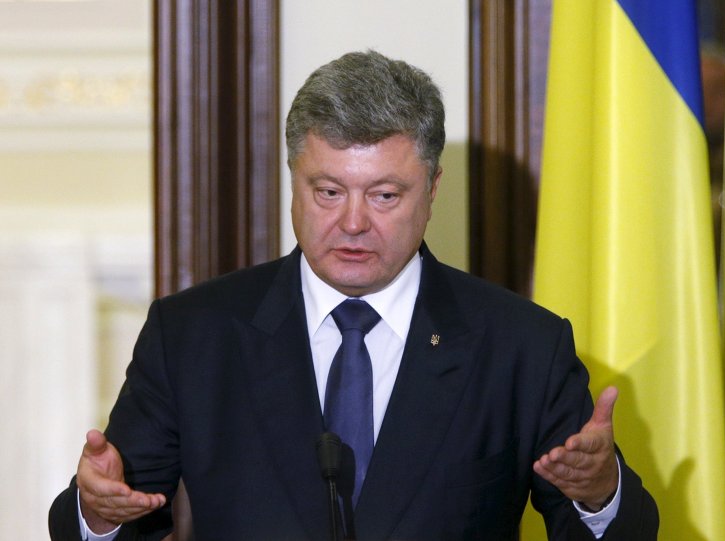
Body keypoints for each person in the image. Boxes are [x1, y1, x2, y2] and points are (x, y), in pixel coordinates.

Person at [49, 50, 658, 540]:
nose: (354, 223)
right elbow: (117, 513)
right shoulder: (192, 334)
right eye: (328, 192)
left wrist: (601, 494)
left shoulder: (521, 344)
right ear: (294, 180)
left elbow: (619, 533)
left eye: (385, 196)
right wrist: (98, 516)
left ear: (432, 188)